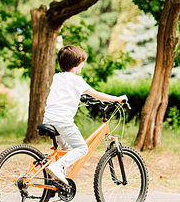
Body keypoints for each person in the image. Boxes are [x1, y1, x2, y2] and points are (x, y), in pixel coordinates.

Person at [43, 45, 127, 185]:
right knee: (82, 148)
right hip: (63, 122)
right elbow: (97, 95)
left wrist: (79, 97)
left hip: (49, 119)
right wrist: (118, 98)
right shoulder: (76, 80)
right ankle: (56, 167)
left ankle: (57, 180)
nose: (83, 64)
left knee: (67, 149)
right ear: (76, 65)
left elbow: (65, 93)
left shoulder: (57, 77)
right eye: (82, 62)